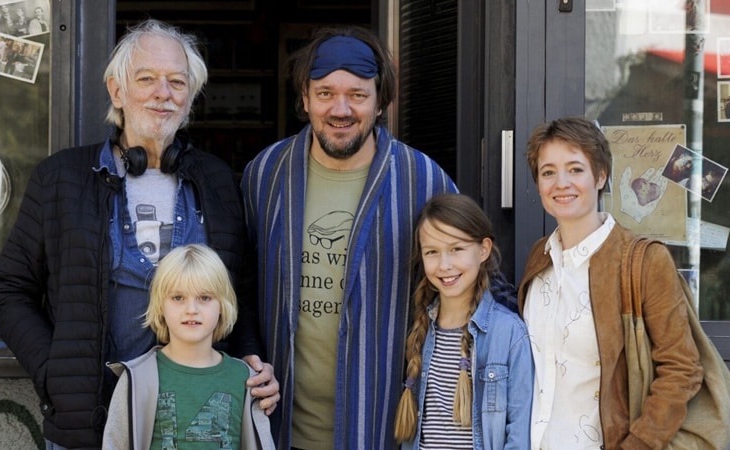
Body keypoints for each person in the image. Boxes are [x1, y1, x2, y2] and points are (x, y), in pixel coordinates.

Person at [0, 19, 278, 450]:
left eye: (177, 82)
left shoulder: (218, 182)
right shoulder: (61, 178)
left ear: (190, 96)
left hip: (196, 424)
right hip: (87, 424)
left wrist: (251, 360)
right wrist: (56, 373)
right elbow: (10, 289)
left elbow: (242, 290)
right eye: (147, 79)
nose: (163, 93)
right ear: (117, 91)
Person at [242, 25, 517, 449]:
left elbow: (479, 284)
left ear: (381, 100)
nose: (341, 108)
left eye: (357, 94)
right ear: (304, 98)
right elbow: (239, 284)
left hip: (387, 427)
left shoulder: (423, 181)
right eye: (325, 93)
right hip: (278, 428)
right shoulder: (266, 175)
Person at [518, 116, 702, 449]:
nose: (561, 183)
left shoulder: (643, 261)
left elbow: (682, 369)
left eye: (575, 169)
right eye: (548, 172)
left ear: (600, 176)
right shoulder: (539, 258)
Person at [394, 193, 533, 449]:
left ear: (483, 250)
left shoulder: (509, 334)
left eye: (456, 249)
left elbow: (519, 433)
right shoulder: (419, 330)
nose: (445, 265)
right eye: (432, 252)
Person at [102, 244, 275, 450]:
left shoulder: (246, 378)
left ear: (222, 305)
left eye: (204, 298)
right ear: (160, 306)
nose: (191, 309)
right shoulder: (136, 378)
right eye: (178, 298)